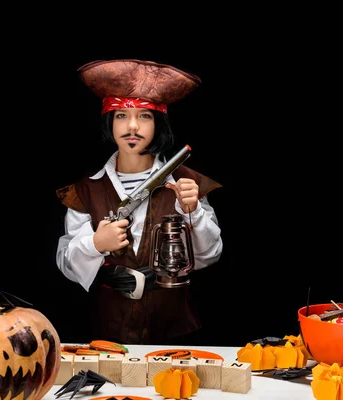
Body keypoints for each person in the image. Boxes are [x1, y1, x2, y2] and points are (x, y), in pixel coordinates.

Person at [55, 59, 223, 345]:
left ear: (159, 123)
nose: (132, 126)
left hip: (174, 324)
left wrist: (192, 212)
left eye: (144, 116)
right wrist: (96, 244)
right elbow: (67, 265)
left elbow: (210, 256)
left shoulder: (187, 183)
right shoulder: (85, 190)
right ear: (109, 121)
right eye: (121, 115)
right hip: (107, 325)